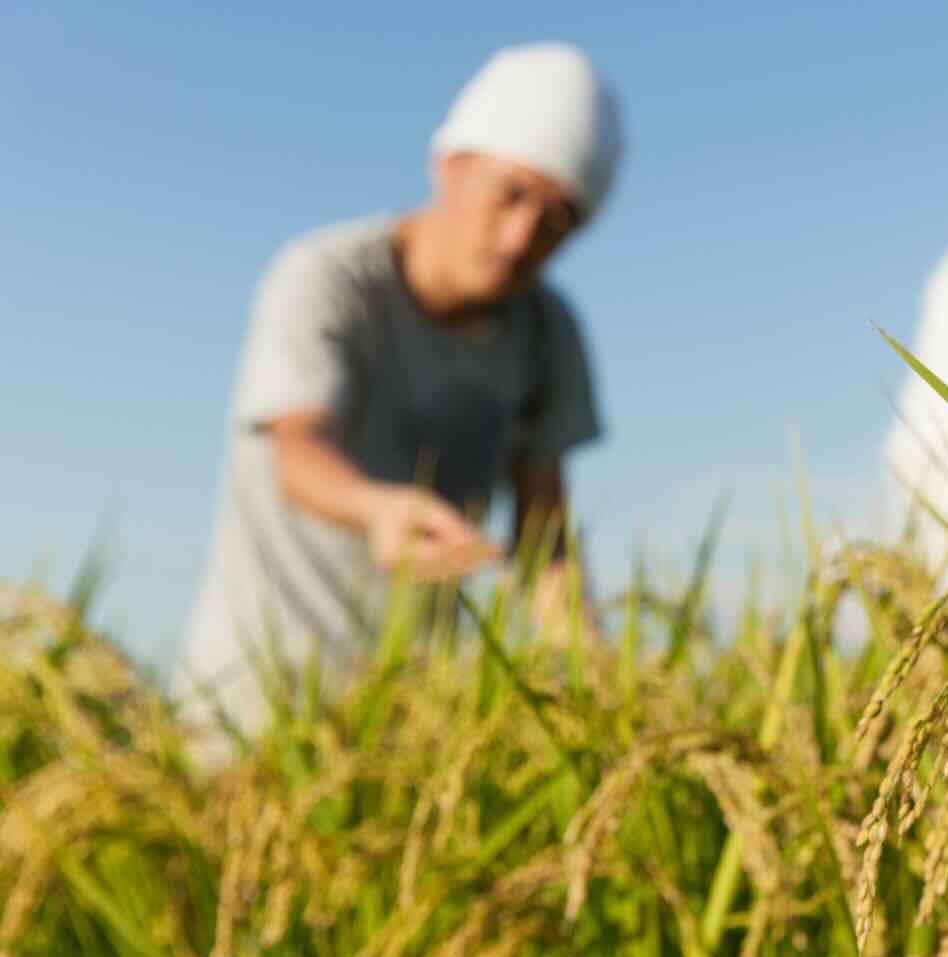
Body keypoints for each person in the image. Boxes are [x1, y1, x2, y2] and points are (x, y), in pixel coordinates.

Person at [171, 42, 622, 766]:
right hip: (255, 707)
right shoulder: (326, 278)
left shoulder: (548, 333)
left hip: (417, 724)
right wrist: (379, 510)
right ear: (450, 165)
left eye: (557, 220)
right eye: (510, 193)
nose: (519, 239)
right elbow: (298, 449)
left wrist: (600, 691)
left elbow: (547, 540)